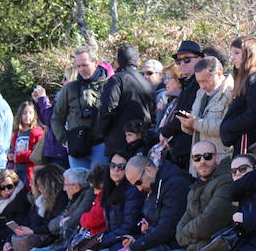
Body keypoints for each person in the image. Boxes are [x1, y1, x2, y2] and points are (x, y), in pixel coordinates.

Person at [51, 47, 110, 169]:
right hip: (76, 146)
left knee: (99, 186)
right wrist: (65, 139)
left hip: (101, 145)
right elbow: (56, 118)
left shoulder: (110, 85)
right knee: (78, 186)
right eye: (78, 66)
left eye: (85, 65)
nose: (81, 69)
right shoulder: (69, 88)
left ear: (96, 62)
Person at [176, 57, 233, 172]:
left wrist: (195, 123)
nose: (202, 86)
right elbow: (194, 124)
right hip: (198, 162)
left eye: (205, 81)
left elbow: (226, 127)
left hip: (220, 161)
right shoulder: (200, 93)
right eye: (199, 82)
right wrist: (186, 124)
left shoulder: (231, 92)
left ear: (219, 74)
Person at [98, 44, 155, 159]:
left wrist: (104, 132)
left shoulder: (116, 79)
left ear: (117, 63)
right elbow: (153, 114)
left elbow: (107, 109)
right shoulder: (147, 84)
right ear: (137, 63)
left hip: (119, 142)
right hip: (142, 141)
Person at [220, 37, 256, 161]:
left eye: (237, 53)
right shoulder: (243, 79)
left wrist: (229, 126)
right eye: (232, 53)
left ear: (249, 54)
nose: (233, 58)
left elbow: (254, 114)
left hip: (250, 141)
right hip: (243, 139)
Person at [158, 41, 204, 169]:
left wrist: (165, 132)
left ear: (199, 59)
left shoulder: (199, 83)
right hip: (181, 147)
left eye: (187, 59)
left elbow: (186, 114)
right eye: (179, 61)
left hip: (192, 148)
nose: (182, 64)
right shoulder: (188, 83)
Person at [7, 101, 44, 186]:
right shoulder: (17, 133)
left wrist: (18, 157)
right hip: (16, 171)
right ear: (20, 115)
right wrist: (11, 154)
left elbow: (37, 153)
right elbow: (14, 148)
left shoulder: (37, 132)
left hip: (30, 171)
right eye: (24, 113)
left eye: (30, 113)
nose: (27, 116)